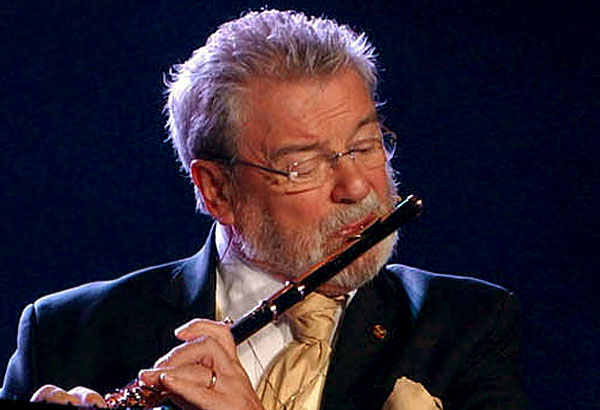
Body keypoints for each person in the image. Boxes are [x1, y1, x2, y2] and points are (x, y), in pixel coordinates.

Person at [1, 9, 525, 410]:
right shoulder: (67, 333)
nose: (357, 186)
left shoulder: (465, 325)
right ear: (217, 190)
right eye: (303, 166)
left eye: (365, 146)